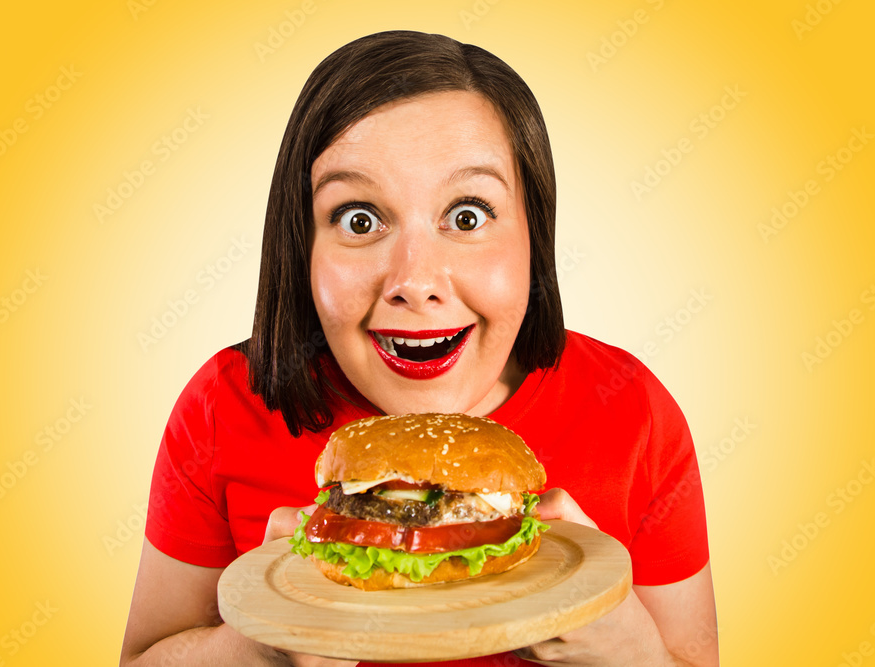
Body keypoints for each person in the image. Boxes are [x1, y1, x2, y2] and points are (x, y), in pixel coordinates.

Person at [120, 30, 718, 667]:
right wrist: (258, 647)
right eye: (359, 218)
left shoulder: (631, 408)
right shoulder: (226, 402)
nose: (415, 283)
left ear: (535, 237)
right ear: (302, 248)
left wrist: (627, 648)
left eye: (467, 215)